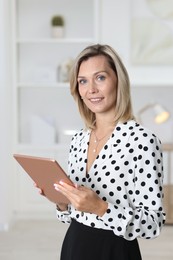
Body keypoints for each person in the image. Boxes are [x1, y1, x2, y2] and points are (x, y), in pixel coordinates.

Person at [36, 44, 166, 260]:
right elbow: (74, 216)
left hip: (114, 250)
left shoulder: (142, 140)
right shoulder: (79, 138)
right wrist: (61, 202)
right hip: (73, 244)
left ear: (118, 81)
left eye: (100, 78)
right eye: (83, 81)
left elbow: (153, 224)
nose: (91, 90)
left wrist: (101, 208)